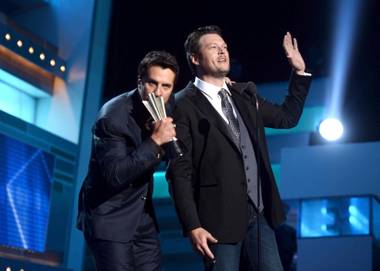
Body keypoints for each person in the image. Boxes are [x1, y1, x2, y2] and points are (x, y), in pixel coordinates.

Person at [167, 25, 312, 271]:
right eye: (214, 47)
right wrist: (192, 225)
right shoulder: (182, 105)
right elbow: (179, 171)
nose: (223, 52)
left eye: (224, 47)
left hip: (259, 214)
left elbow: (287, 118)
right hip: (217, 220)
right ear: (194, 57)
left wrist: (299, 72)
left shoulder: (244, 94)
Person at [77, 50, 179, 271]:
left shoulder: (166, 107)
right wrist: (154, 142)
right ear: (140, 81)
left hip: (142, 217)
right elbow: (114, 176)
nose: (159, 93)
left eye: (166, 86)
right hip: (109, 217)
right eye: (153, 84)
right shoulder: (112, 117)